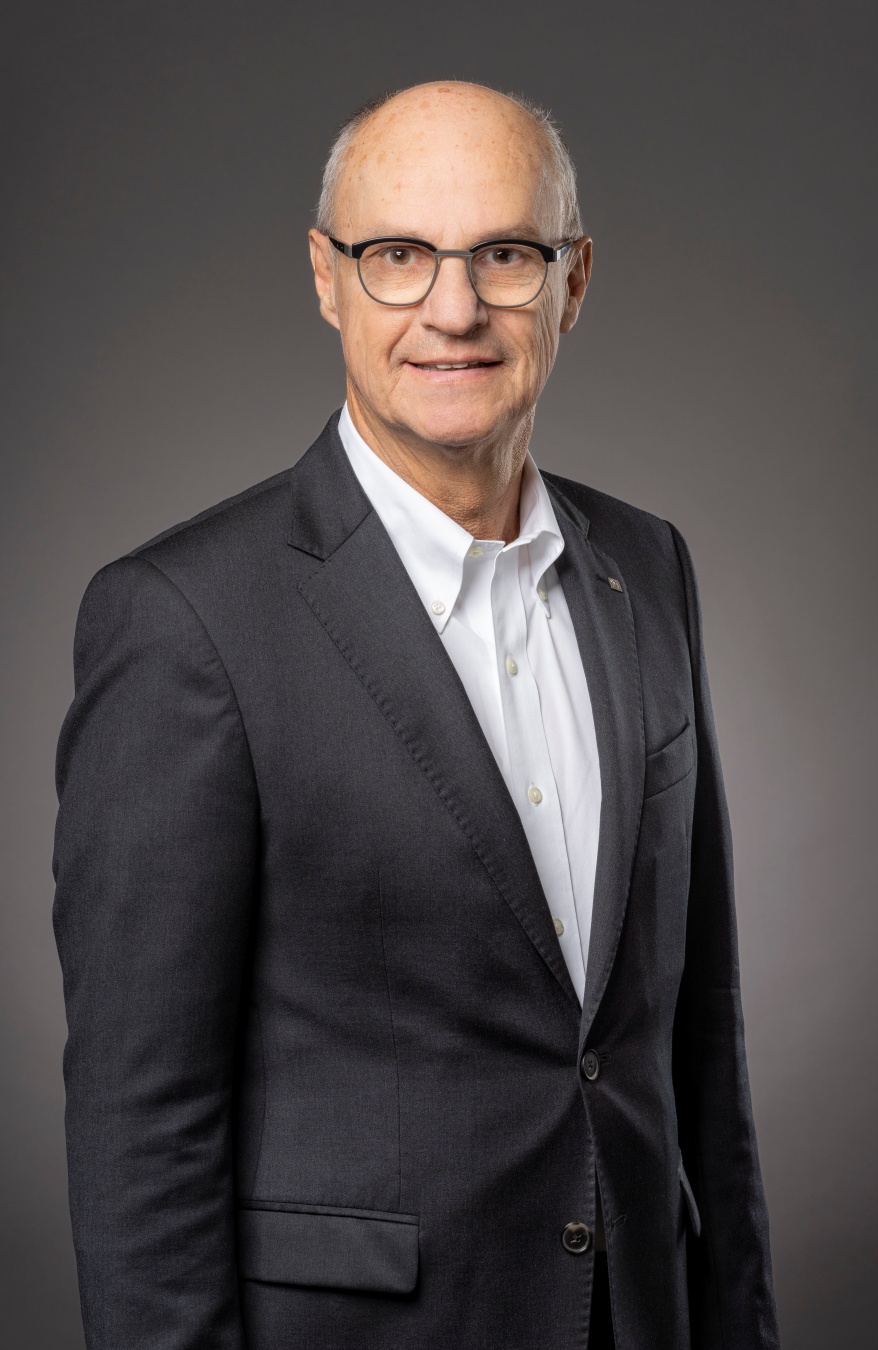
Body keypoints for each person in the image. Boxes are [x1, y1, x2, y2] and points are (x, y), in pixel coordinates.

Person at [53, 80, 779, 1350]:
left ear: (573, 280)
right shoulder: (183, 620)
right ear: (326, 279)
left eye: (505, 254)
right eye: (398, 255)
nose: (454, 309)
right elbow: (139, 1123)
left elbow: (698, 1043)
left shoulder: (648, 567)